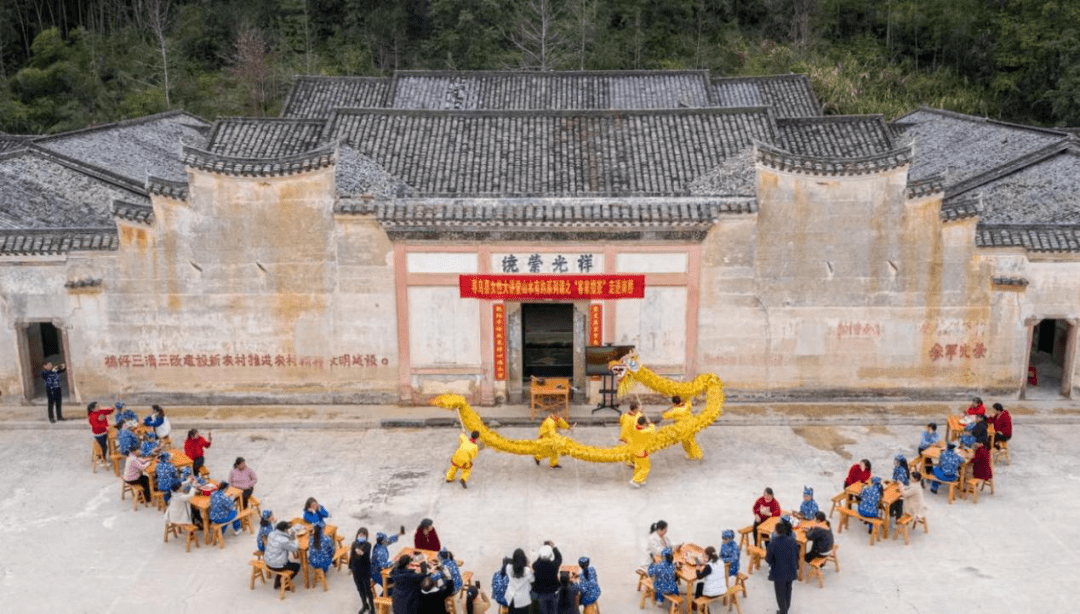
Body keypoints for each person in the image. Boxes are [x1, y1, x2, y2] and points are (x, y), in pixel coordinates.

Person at [765, 519, 798, 614]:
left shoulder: (773, 543)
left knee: (780, 594)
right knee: (788, 590)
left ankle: (783, 611)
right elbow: (797, 554)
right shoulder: (792, 541)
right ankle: (786, 608)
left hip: (778, 573)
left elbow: (768, 559)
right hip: (791, 570)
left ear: (776, 531)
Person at [265, 521, 301, 589]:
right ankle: (283, 583)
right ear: (285, 530)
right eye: (288, 529)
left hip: (268, 561)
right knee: (297, 566)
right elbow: (294, 548)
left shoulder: (271, 534)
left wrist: (290, 535)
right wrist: (294, 538)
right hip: (276, 565)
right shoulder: (284, 540)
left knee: (287, 562)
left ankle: (278, 580)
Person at [350, 527, 376, 614]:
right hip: (356, 571)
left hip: (365, 571)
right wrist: (351, 568)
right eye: (360, 534)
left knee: (368, 590)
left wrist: (361, 554)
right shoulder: (354, 544)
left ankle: (372, 608)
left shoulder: (368, 545)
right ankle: (364, 605)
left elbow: (367, 557)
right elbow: (351, 557)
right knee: (360, 589)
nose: (361, 536)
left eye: (363, 535)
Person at [533, 542, 563, 614]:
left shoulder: (536, 566)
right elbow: (559, 557)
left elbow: (537, 561)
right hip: (553, 593)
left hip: (541, 594)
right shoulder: (554, 566)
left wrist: (541, 552)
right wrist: (554, 547)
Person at [628, 414, 656, 488]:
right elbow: (653, 428)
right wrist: (649, 423)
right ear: (643, 424)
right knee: (645, 468)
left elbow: (637, 417)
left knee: (638, 467)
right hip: (641, 452)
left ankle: (640, 479)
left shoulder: (634, 427)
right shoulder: (644, 432)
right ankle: (635, 480)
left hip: (634, 450)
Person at [505, 549, 534, 614]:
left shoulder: (509, 568)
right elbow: (532, 580)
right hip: (524, 601)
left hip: (512, 599)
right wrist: (529, 567)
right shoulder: (527, 571)